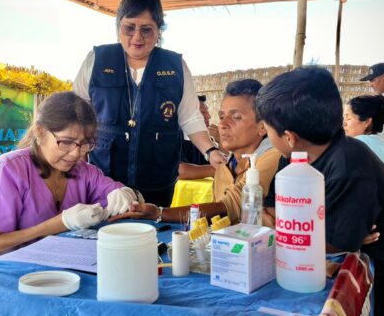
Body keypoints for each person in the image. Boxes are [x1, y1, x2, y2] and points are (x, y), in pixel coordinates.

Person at [257, 67, 384, 316]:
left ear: (290, 137)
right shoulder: (292, 158)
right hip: (360, 275)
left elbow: (334, 243)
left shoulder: (351, 164)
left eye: (268, 130)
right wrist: (308, 228)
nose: (266, 135)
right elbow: (270, 210)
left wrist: (300, 229)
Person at [0, 92, 139, 268]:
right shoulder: (8, 171)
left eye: (85, 143)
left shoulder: (84, 172)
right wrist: (62, 222)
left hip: (36, 265)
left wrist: (125, 193)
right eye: (66, 142)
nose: (76, 154)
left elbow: (112, 190)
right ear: (40, 132)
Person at [73, 0, 225, 207]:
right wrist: (76, 155)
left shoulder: (176, 67)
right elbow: (77, 113)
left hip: (158, 179)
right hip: (104, 178)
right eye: (129, 27)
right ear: (118, 28)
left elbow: (190, 118)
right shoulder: (96, 60)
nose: (137, 37)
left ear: (159, 32)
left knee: (152, 234)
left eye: (146, 29)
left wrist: (210, 151)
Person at [110, 79, 280, 227]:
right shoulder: (225, 166)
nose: (223, 124)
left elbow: (231, 206)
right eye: (221, 116)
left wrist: (158, 213)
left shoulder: (273, 156)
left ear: (262, 126)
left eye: (236, 117)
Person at [343, 95, 384, 172]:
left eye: (348, 118)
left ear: (366, 122)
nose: (343, 123)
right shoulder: (383, 144)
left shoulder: (358, 143)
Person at [178, 95, 215, 180]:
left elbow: (213, 162)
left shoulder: (203, 138)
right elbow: (180, 171)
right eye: (202, 112)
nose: (208, 116)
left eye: (207, 112)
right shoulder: (172, 136)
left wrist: (219, 142)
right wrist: (219, 169)